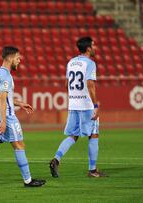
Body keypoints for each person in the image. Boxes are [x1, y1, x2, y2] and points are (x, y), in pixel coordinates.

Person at [0, 46, 46, 187]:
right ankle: (28, 181)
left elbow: (2, 98)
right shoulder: (6, 76)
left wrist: (19, 103)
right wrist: (4, 120)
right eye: (17, 58)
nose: (19, 60)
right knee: (19, 145)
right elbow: (3, 99)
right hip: (6, 116)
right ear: (10, 58)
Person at [49, 37, 107, 178]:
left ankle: (56, 159)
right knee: (93, 135)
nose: (95, 47)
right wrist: (95, 105)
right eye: (93, 45)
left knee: (73, 135)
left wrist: (73, 99)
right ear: (88, 48)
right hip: (86, 105)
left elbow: (66, 84)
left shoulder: (71, 62)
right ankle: (93, 170)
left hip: (74, 103)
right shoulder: (90, 63)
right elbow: (90, 85)